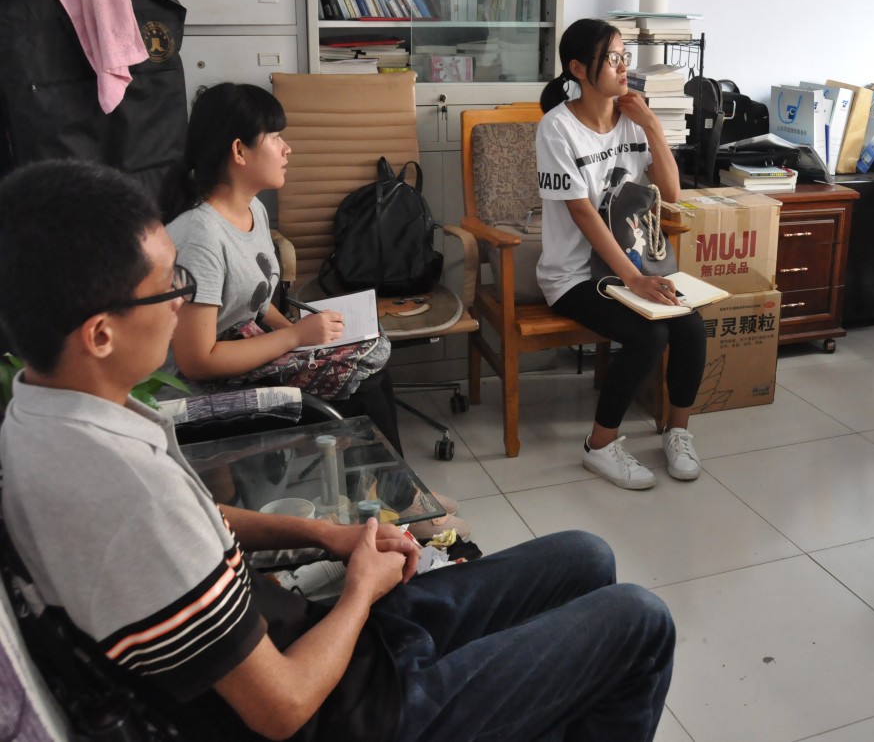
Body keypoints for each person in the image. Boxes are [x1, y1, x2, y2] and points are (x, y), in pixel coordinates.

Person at [0, 159, 675, 742]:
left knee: (587, 556)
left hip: (329, 646)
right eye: (170, 287)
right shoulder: (125, 498)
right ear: (100, 335)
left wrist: (328, 535)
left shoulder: (41, 416)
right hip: (354, 711)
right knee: (639, 622)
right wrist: (359, 593)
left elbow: (199, 523)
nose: (184, 301)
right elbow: (283, 707)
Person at [160, 82, 466, 538]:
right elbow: (196, 361)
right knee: (359, 382)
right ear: (239, 151)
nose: (287, 148)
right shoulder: (200, 236)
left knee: (370, 352)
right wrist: (296, 338)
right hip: (208, 388)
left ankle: (394, 493)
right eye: (275, 137)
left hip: (250, 353)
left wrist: (301, 332)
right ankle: (398, 504)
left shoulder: (251, 210)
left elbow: (256, 303)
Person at [536, 18, 707, 489]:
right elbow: (582, 214)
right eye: (612, 58)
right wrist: (633, 280)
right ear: (578, 68)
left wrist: (651, 124)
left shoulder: (633, 121)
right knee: (649, 335)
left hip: (637, 265)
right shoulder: (557, 128)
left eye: (624, 56)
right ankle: (600, 445)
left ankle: (677, 433)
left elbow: (671, 192)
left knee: (691, 327)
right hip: (575, 276)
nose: (623, 66)